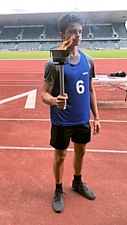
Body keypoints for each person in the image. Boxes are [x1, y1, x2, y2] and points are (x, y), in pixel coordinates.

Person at [42, 13, 101, 213]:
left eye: (79, 31)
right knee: (60, 156)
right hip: (62, 120)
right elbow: (44, 95)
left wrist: (97, 117)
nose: (77, 35)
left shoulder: (88, 60)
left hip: (82, 118)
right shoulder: (54, 62)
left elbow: (91, 89)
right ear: (62, 34)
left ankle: (77, 182)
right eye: (72, 31)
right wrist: (55, 100)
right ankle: (58, 189)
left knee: (81, 152)